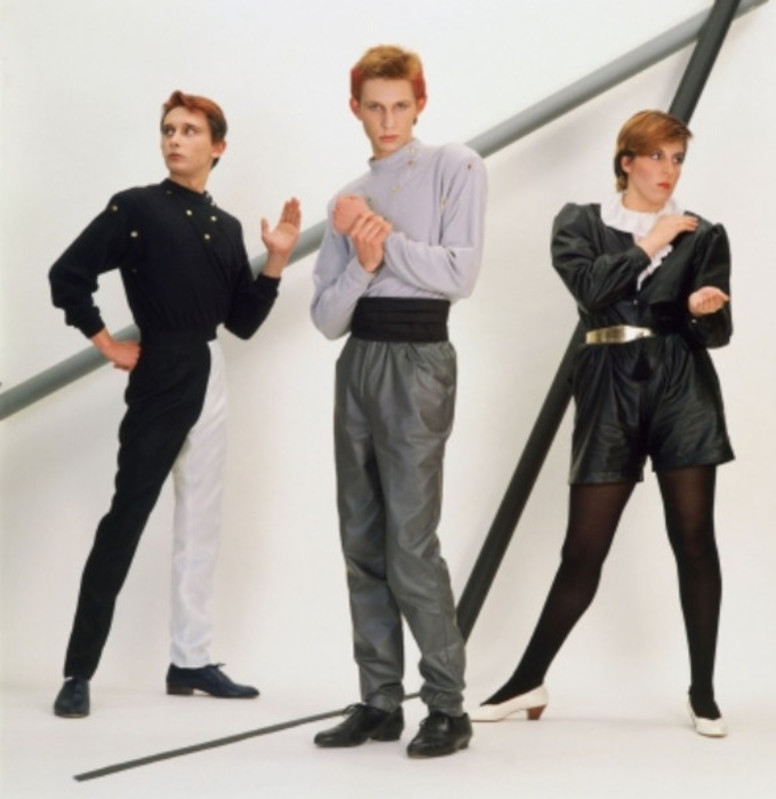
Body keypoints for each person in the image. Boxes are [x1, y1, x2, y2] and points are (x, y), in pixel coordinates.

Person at [471, 110, 733, 738]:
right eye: (657, 156)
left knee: (694, 539)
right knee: (582, 548)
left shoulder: (704, 234)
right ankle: (527, 679)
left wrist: (706, 310)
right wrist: (649, 243)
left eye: (677, 159)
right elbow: (590, 290)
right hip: (607, 384)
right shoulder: (580, 222)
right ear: (627, 161)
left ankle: (703, 691)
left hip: (681, 385)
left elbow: (718, 332)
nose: (668, 170)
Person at [48, 90, 301, 718]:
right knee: (126, 519)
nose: (174, 139)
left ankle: (190, 660)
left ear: (217, 147)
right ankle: (78, 671)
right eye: (168, 129)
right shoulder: (135, 207)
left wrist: (275, 261)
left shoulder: (228, 228)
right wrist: (106, 342)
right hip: (159, 369)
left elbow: (242, 321)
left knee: (201, 522)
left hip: (211, 368)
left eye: (189, 130)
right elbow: (68, 273)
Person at [310, 45, 487, 758]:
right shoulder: (347, 198)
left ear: (420, 104)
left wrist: (382, 242)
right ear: (355, 108)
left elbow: (460, 274)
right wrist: (362, 262)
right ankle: (380, 700)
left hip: (418, 358)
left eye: (400, 106)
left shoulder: (455, 165)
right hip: (359, 359)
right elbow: (327, 318)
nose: (388, 120)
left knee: (410, 543)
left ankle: (447, 705)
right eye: (375, 107)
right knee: (360, 538)